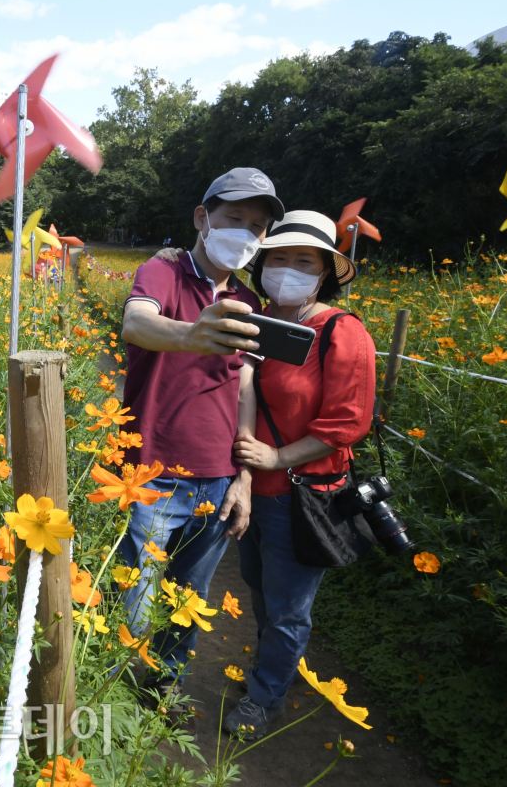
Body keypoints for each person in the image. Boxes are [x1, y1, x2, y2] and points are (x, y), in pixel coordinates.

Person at [117, 168, 284, 701]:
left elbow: (245, 387)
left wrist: (245, 479)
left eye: (257, 226)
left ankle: (165, 689)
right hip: (151, 471)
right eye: (235, 218)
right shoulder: (163, 274)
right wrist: (193, 334)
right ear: (202, 218)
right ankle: (110, 690)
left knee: (188, 599)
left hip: (215, 477)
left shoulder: (248, 305)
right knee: (132, 603)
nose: (246, 232)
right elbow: (137, 324)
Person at [222, 210, 377, 737]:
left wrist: (277, 458)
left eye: (303, 262)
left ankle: (267, 699)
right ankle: (271, 675)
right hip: (250, 489)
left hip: (301, 493)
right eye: (279, 259)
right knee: (261, 591)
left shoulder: (340, 331)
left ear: (326, 273)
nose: (288, 269)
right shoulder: (258, 319)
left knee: (289, 606)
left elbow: (348, 423)